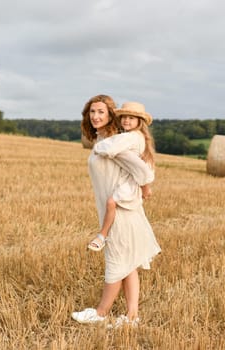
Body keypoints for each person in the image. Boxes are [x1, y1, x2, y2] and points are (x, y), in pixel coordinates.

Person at [72, 95, 161, 326]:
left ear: (111, 115)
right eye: (92, 112)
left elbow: (142, 170)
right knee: (128, 263)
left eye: (101, 112)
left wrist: (145, 187)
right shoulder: (105, 140)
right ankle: (132, 316)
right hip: (115, 209)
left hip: (120, 211)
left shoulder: (114, 143)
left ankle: (100, 313)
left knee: (116, 261)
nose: (95, 116)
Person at [87, 101, 156, 252]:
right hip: (130, 181)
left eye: (131, 118)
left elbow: (111, 147)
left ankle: (102, 235)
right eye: (124, 117)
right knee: (112, 203)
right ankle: (102, 235)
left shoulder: (132, 137)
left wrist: (98, 147)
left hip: (129, 183)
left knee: (111, 203)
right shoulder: (135, 136)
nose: (126, 120)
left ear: (139, 121)